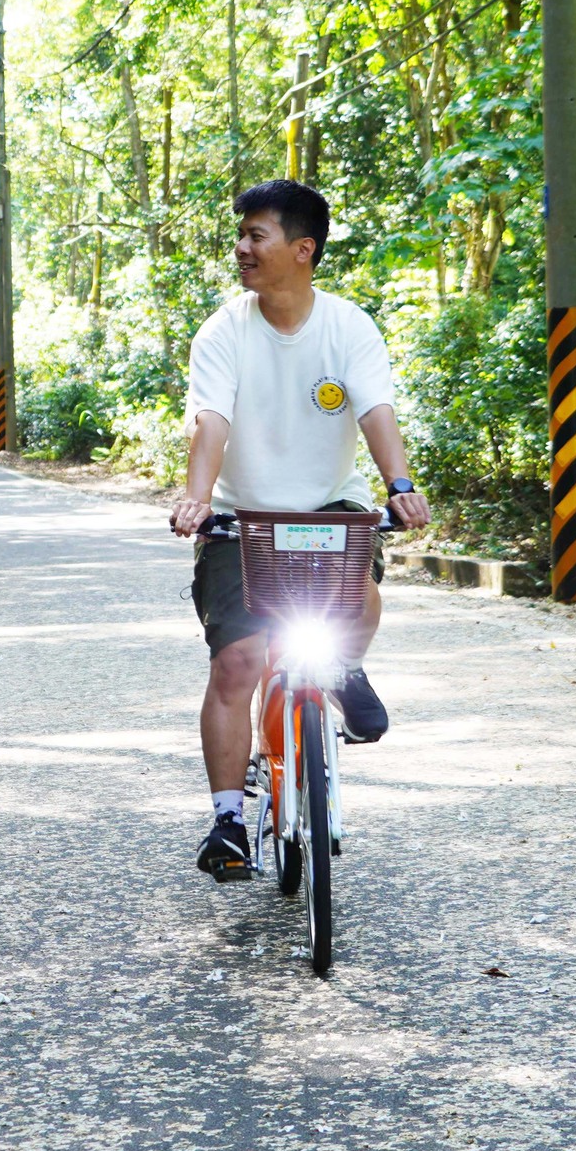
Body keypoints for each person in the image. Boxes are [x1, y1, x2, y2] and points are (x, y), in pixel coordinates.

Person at [168, 179, 432, 883]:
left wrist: (400, 486)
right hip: (240, 517)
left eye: (257, 235)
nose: (242, 248)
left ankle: (341, 670)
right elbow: (211, 423)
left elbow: (376, 411)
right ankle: (228, 818)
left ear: (302, 250)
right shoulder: (224, 331)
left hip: (329, 507)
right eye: (242, 235)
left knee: (362, 601)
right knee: (238, 662)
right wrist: (197, 500)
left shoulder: (348, 327)